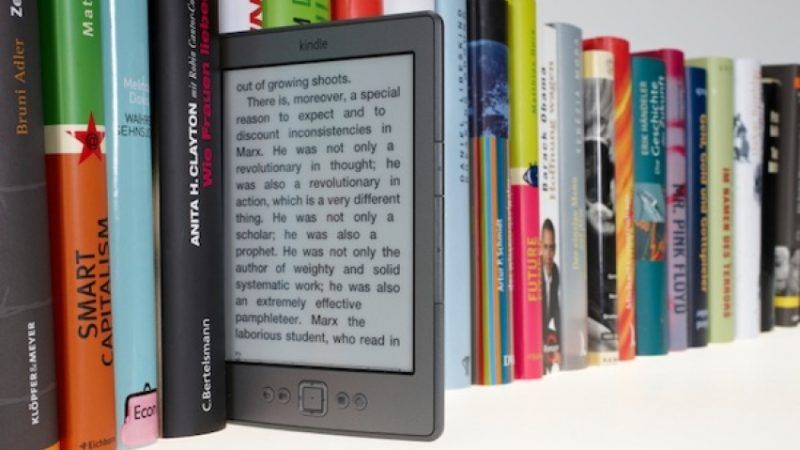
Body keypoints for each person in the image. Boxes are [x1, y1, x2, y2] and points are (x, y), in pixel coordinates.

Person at [541, 219, 561, 373]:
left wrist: (562, 343)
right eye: (545, 247)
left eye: (552, 248)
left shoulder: (555, 271)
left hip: (546, 335)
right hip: (533, 334)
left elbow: (556, 311)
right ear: (540, 247)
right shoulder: (534, 271)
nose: (549, 253)